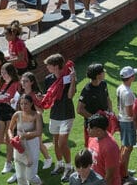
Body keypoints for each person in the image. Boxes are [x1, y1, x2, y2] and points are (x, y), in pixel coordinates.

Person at [43, 54, 77, 182]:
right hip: (55, 114)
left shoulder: (68, 77)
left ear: (56, 66)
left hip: (67, 114)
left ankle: (69, 167)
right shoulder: (48, 79)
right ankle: (60, 164)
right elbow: (49, 96)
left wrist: (73, 80)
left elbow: (70, 96)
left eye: (49, 65)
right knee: (55, 142)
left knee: (62, 143)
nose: (47, 67)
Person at [8, 93, 44, 185]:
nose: (23, 106)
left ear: (31, 104)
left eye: (26, 103)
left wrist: (25, 135)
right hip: (19, 146)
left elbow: (39, 132)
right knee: (20, 177)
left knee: (30, 177)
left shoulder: (37, 115)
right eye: (21, 104)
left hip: (32, 145)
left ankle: (39, 183)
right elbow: (10, 129)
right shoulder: (17, 114)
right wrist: (12, 137)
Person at [116, 66, 137, 184]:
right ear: (131, 78)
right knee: (127, 149)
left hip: (122, 119)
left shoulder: (120, 88)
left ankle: (123, 170)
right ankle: (124, 175)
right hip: (127, 122)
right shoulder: (128, 93)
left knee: (124, 147)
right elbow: (130, 113)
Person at [85, 114, 121, 185]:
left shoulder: (110, 147)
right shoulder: (92, 138)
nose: (87, 130)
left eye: (89, 128)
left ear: (98, 130)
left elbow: (109, 176)